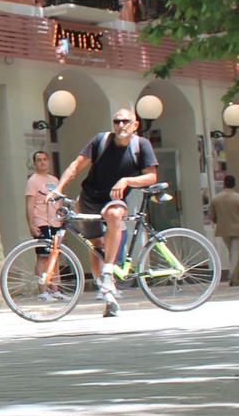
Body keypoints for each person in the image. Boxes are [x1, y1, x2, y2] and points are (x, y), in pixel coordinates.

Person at [52, 107, 159, 318]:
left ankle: (108, 272)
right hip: (90, 197)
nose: (121, 125)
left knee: (115, 215)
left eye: (126, 121)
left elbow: (151, 177)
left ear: (135, 125)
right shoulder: (101, 141)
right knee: (95, 244)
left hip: (115, 198)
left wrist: (127, 180)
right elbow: (76, 166)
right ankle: (105, 289)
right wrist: (59, 189)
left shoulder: (141, 145)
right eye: (117, 121)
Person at [208, 174, 239, 276]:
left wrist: (219, 221)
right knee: (235, 252)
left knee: (231, 251)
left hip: (223, 229)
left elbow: (211, 216)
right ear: (234, 184)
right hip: (238, 229)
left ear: (224, 183)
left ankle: (234, 273)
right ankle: (233, 275)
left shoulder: (216, 199)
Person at [24, 151, 59, 240]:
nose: (42, 162)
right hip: (41, 221)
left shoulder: (55, 180)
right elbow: (29, 205)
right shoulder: (33, 180)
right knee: (43, 252)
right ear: (35, 163)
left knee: (55, 251)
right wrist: (31, 226)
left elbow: (59, 202)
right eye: (39, 160)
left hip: (55, 221)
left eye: (44, 159)